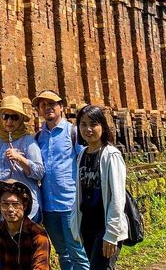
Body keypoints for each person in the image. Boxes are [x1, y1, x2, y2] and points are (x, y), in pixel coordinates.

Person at [33, 90, 89, 270]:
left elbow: (86, 163)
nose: (48, 108)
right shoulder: (38, 137)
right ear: (39, 110)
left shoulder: (73, 132)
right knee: (62, 253)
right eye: (43, 105)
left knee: (77, 252)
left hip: (70, 204)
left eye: (52, 104)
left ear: (61, 107)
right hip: (49, 206)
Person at [71, 105, 127, 270]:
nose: (88, 129)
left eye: (93, 124)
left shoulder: (111, 155)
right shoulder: (82, 154)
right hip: (88, 225)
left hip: (106, 225)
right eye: (83, 124)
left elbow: (118, 197)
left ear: (102, 126)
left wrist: (111, 234)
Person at [0, 95, 44, 222]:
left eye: (14, 117)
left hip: (26, 207)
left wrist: (20, 159)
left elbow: (40, 172)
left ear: (21, 120)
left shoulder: (28, 142)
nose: (9, 121)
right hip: (3, 208)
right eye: (5, 116)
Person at [0, 179, 51, 270]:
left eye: (15, 204)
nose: (10, 209)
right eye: (5, 204)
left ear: (24, 205)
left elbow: (41, 267)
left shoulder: (38, 235)